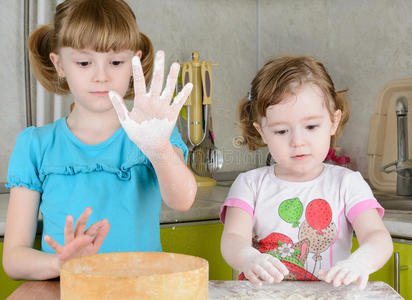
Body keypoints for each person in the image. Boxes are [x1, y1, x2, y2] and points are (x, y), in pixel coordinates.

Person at [3, 0, 196, 281]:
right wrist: (63, 263)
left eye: (116, 62)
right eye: (84, 62)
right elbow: (14, 258)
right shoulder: (35, 145)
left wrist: (160, 149)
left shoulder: (153, 134)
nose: (102, 76)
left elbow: (183, 200)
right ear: (59, 64)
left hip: (142, 291)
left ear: (134, 64)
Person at [220, 55, 393, 290]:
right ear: (262, 132)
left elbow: (377, 237)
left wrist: (361, 261)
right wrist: (248, 258)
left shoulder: (348, 184)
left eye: (311, 127)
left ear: (333, 121)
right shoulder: (249, 184)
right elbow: (233, 239)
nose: (297, 141)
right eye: (281, 131)